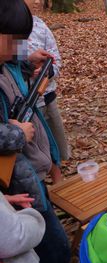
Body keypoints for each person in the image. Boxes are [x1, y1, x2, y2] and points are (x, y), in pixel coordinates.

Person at [0, 0, 81, 263]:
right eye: (13, 42)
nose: (16, 48)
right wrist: (17, 134)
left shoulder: (7, 59)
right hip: (15, 182)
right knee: (51, 242)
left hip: (26, 170)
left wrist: (26, 57)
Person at [27, 5, 70, 183]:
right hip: (24, 103)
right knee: (34, 145)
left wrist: (48, 71)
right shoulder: (6, 35)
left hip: (47, 97)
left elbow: (55, 60)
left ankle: (57, 173)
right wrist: (27, 66)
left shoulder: (39, 26)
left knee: (54, 139)